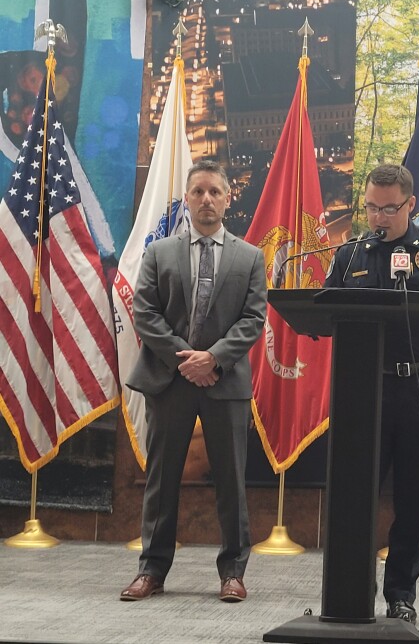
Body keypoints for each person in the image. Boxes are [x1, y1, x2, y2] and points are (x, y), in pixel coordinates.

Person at [324, 164, 419, 624]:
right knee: (355, 495)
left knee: (414, 497)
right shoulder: (351, 254)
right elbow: (326, 308)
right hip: (363, 389)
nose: (378, 217)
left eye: (388, 208)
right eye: (371, 207)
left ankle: (400, 594)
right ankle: (354, 588)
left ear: (410, 205)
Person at [120, 160, 267, 602]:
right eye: (198, 192)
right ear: (187, 198)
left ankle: (233, 574)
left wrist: (213, 359)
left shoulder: (251, 256)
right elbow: (144, 313)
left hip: (225, 382)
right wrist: (186, 359)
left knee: (231, 480)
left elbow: (253, 318)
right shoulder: (160, 252)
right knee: (161, 478)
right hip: (170, 379)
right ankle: (151, 571)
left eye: (215, 192)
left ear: (227, 199)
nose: (206, 200)